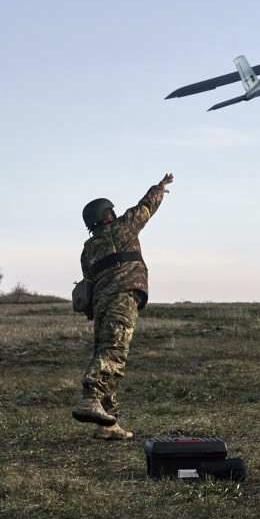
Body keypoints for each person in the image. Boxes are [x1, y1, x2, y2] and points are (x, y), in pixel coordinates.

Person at [72, 173, 174, 440]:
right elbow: (146, 207)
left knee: (104, 352)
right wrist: (160, 188)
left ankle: (108, 423)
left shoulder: (88, 249)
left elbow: (88, 283)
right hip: (122, 297)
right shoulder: (124, 227)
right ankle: (90, 396)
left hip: (101, 304)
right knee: (114, 353)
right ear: (107, 214)